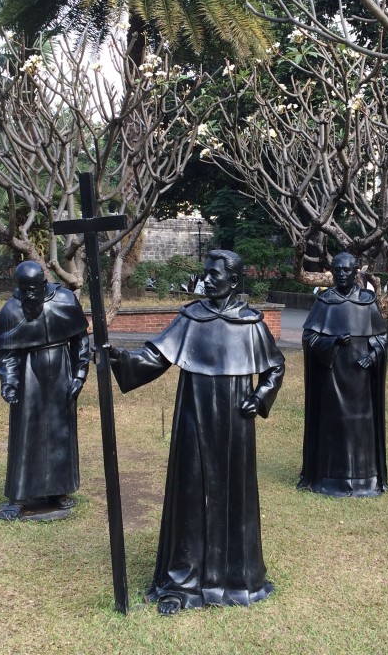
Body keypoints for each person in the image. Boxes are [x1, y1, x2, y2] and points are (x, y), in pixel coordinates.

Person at [105, 249, 285, 615]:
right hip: (194, 414)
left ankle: (237, 578)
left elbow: (274, 367)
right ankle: (182, 582)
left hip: (236, 419)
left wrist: (260, 397)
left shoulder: (250, 323)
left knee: (234, 493)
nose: (207, 280)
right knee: (190, 490)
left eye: (214, 275)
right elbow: (156, 357)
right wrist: (119, 358)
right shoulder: (191, 316)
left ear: (233, 280)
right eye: (205, 273)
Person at [0, 261, 91, 521]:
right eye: (24, 289)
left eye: (34, 287)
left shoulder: (65, 299)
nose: (30, 294)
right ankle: (19, 497)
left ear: (43, 282)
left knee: (60, 432)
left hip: (62, 371)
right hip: (29, 376)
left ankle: (58, 491)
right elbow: (8, 354)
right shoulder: (12, 310)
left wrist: (80, 374)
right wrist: (9, 382)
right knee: (27, 435)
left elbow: (80, 339)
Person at [300, 252, 388, 498]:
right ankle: (328, 476)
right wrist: (333, 343)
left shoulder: (367, 301)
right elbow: (309, 338)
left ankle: (364, 478)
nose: (341, 274)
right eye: (336, 270)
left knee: (360, 426)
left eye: (346, 270)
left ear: (355, 272)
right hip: (332, 376)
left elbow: (381, 337)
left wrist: (372, 357)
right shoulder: (324, 301)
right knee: (333, 424)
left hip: (361, 378)